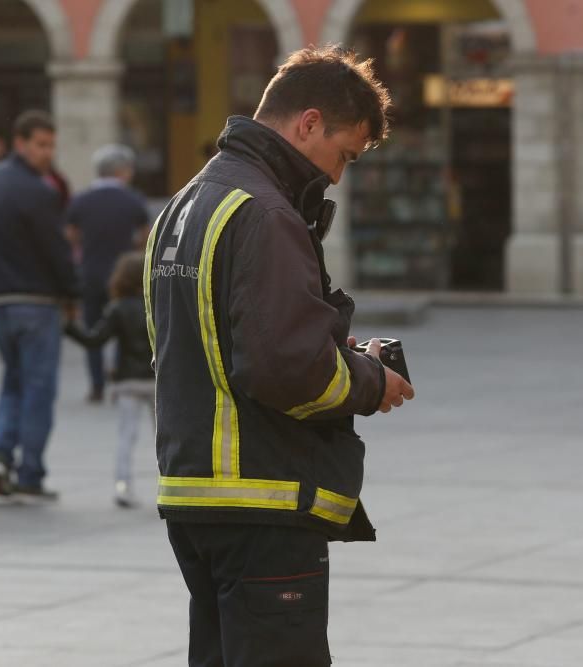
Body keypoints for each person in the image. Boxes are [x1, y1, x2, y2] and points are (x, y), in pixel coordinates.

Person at [144, 46, 414, 666]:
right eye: (344, 154)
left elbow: (203, 341)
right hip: (261, 497)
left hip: (194, 491)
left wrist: (325, 348)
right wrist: (371, 381)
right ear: (309, 122)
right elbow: (286, 370)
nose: (339, 175)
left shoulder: (187, 202)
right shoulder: (266, 211)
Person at [0, 110, 79, 501]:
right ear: (20, 142)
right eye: (41, 144)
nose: (47, 153)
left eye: (50, 145)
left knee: (12, 381)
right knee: (38, 389)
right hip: (36, 300)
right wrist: (72, 292)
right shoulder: (38, 191)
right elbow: (56, 250)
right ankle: (30, 472)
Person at [64, 252, 152, 508]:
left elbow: (94, 340)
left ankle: (123, 486)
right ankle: (168, 486)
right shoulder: (157, 305)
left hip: (127, 381)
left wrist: (68, 326)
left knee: (127, 435)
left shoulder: (118, 309)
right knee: (165, 439)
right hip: (156, 380)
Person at [66, 144, 149, 403]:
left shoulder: (81, 200)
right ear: (122, 171)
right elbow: (148, 235)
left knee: (93, 328)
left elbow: (70, 236)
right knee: (123, 328)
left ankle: (96, 385)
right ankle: (120, 379)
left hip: (90, 273)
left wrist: (86, 246)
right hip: (124, 277)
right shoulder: (133, 200)